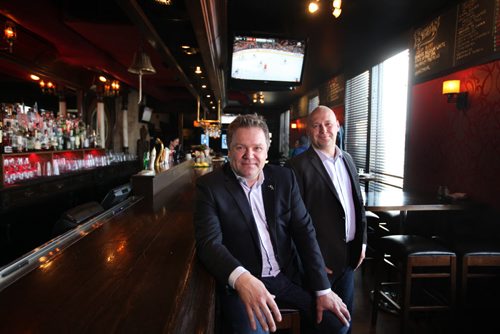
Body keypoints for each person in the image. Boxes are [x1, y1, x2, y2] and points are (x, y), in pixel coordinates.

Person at [193, 114, 351, 334]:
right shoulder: (210, 187)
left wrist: (323, 289)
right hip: (242, 285)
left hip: (286, 277)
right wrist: (242, 279)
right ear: (229, 150)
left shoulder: (284, 178)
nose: (250, 155)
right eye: (240, 147)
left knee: (338, 324)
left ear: (267, 151)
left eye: (257, 148)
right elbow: (209, 244)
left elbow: (304, 231)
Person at [287, 105, 367, 333]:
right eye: (316, 125)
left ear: (338, 127)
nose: (323, 130)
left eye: (328, 124)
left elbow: (358, 205)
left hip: (349, 259)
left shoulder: (348, 159)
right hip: (319, 264)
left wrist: (362, 242)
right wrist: (308, 261)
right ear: (308, 131)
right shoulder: (296, 167)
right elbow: (290, 222)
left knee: (346, 321)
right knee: (323, 327)